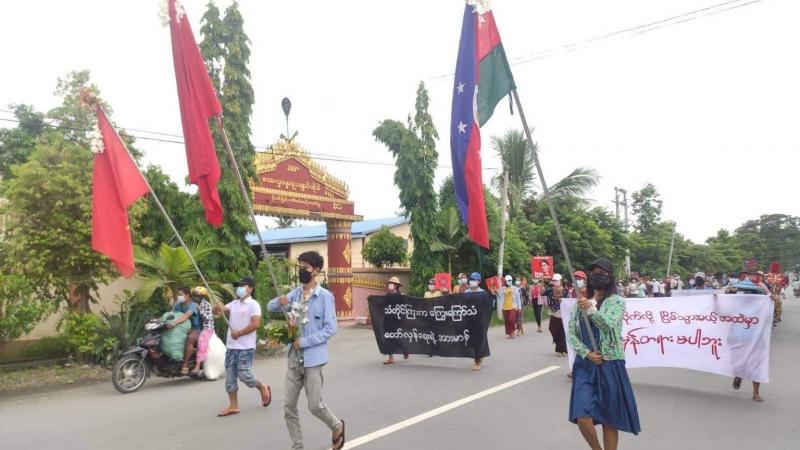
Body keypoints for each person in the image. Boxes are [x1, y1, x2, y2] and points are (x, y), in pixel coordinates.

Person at [267, 251, 346, 450]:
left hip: (313, 359)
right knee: (288, 406)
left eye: (305, 268)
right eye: (299, 267)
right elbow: (271, 306)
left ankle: (336, 426)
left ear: (316, 271)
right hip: (294, 359)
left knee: (314, 405)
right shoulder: (295, 293)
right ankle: (298, 446)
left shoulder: (325, 297)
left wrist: (304, 342)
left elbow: (331, 328)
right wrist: (281, 300)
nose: (301, 271)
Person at [568, 258, 641, 449]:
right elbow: (572, 333)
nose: (596, 277)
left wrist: (591, 309)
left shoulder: (616, 302)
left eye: (601, 274)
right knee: (583, 417)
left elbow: (607, 325)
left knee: (609, 418)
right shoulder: (580, 304)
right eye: (593, 274)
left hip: (609, 363)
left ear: (609, 277)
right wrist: (586, 353)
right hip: (585, 364)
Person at [213, 276, 271, 417]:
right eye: (239, 285)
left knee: (244, 375)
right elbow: (220, 311)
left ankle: (262, 386)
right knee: (230, 377)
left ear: (250, 289)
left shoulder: (254, 305)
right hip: (231, 346)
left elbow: (256, 324)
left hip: (246, 346)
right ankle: (233, 406)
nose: (239, 288)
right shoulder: (233, 303)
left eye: (243, 285)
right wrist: (217, 308)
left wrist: (239, 333)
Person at [729, 277, 768, 402]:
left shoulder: (762, 305)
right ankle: (739, 374)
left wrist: (771, 299)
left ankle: (756, 393)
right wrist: (715, 301)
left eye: (749, 292)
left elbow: (769, 317)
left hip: (756, 339)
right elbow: (721, 315)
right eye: (743, 291)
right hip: (737, 338)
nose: (746, 294)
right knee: (738, 362)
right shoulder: (734, 304)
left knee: (756, 365)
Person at [167, 286, 201, 375]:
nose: (179, 297)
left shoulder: (192, 305)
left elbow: (186, 316)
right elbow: (172, 314)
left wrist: (175, 322)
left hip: (194, 329)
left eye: (181, 295)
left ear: (188, 295)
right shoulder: (178, 305)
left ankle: (185, 364)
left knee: (190, 339)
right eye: (178, 295)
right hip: (182, 328)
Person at [383, 276, 410, 365]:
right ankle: (391, 358)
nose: (390, 285)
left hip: (396, 321)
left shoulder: (400, 296)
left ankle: (405, 349)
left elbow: (404, 308)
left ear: (396, 286)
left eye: (392, 284)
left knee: (397, 337)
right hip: (388, 320)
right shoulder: (387, 295)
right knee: (388, 338)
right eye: (389, 284)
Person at [190, 286, 215, 377]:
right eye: (194, 295)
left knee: (201, 343)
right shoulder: (191, 304)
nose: (195, 297)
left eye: (197, 296)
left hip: (206, 328)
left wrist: (199, 309)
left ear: (202, 297)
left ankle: (197, 367)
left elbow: (208, 318)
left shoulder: (206, 304)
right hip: (195, 328)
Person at [464, 272, 486, 370]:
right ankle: (479, 355)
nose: (472, 281)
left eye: (474, 279)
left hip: (480, 320)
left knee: (478, 340)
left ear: (479, 281)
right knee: (470, 341)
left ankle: (477, 362)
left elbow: (490, 306)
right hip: (469, 320)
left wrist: (493, 295)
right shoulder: (466, 292)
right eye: (471, 279)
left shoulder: (483, 293)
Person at [545, 274, 568, 356]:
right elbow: (541, 293)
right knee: (552, 329)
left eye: (556, 280)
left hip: (562, 313)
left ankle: (560, 350)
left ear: (561, 281)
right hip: (553, 312)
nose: (555, 282)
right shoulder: (550, 290)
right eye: (554, 280)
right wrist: (541, 282)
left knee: (561, 331)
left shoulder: (565, 290)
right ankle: (562, 347)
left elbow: (568, 300)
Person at [498, 274, 521, 339]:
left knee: (511, 319)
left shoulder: (515, 288)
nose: (509, 281)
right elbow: (500, 296)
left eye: (510, 280)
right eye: (507, 280)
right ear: (505, 281)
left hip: (513, 307)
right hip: (505, 307)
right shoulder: (503, 289)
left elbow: (518, 298)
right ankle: (509, 333)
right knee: (507, 321)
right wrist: (495, 292)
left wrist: (519, 307)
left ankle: (513, 331)